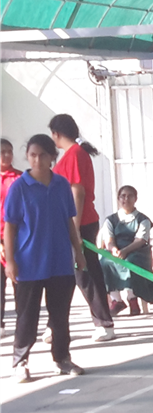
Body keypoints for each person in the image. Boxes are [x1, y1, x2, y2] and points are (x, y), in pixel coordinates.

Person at [4, 134, 88, 382]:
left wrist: (78, 252)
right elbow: (10, 226)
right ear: (27, 156)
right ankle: (20, 361)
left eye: (42, 155)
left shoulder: (61, 185)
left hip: (60, 262)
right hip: (29, 264)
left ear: (52, 156)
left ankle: (61, 358)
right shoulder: (20, 187)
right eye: (32, 155)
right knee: (27, 317)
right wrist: (11, 261)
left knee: (60, 315)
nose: (37, 160)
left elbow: (69, 221)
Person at [48, 114, 115, 342]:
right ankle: (54, 324)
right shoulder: (71, 154)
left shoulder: (76, 154)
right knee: (65, 275)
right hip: (66, 224)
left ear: (56, 134)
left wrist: (74, 229)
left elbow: (78, 192)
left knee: (85, 273)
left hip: (81, 222)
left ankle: (104, 322)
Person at [99, 185, 153, 316]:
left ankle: (133, 298)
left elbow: (140, 240)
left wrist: (125, 251)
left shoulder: (143, 220)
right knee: (104, 262)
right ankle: (116, 300)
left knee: (131, 262)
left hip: (137, 252)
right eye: (123, 196)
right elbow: (109, 240)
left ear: (135, 199)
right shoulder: (110, 220)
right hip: (117, 252)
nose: (126, 199)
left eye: (130, 196)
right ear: (119, 198)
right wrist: (114, 249)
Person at [0, 138, 21, 335]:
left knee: (19, 281)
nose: (6, 155)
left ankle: (24, 321)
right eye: (2, 152)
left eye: (9, 151)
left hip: (17, 237)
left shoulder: (20, 178)